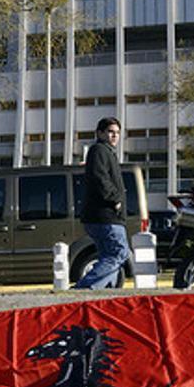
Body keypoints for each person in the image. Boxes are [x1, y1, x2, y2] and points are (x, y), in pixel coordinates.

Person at [75, 117, 130, 289]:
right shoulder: (99, 150)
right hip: (105, 216)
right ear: (99, 133)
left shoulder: (106, 152)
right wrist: (115, 199)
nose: (114, 136)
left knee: (109, 256)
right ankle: (83, 289)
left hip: (105, 217)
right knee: (119, 253)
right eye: (110, 132)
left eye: (117, 133)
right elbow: (100, 178)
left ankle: (104, 294)